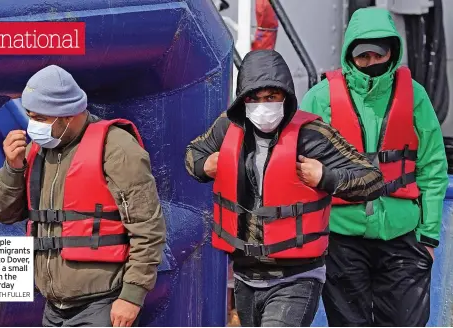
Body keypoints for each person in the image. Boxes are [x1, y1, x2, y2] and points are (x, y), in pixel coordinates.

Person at [184, 49, 386, 327]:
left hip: (297, 278)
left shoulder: (312, 135)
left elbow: (372, 179)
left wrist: (326, 177)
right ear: (243, 100)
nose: (262, 106)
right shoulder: (227, 127)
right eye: (253, 99)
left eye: (271, 97)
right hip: (245, 275)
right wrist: (204, 165)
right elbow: (192, 154)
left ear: (286, 97)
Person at [300, 7, 448, 327]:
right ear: (349, 54)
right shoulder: (319, 98)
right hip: (341, 238)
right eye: (362, 55)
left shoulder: (416, 97)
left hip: (403, 234)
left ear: (392, 52)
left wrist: (429, 237)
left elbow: (434, 165)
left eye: (378, 54)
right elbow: (296, 170)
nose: (370, 64)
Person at [0, 65, 166, 327]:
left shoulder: (116, 147)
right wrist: (13, 167)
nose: (33, 125)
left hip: (102, 305)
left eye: (41, 117)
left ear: (69, 115)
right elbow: (4, 213)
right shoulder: (36, 150)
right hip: (53, 307)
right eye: (30, 116)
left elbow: (148, 228)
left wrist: (131, 296)